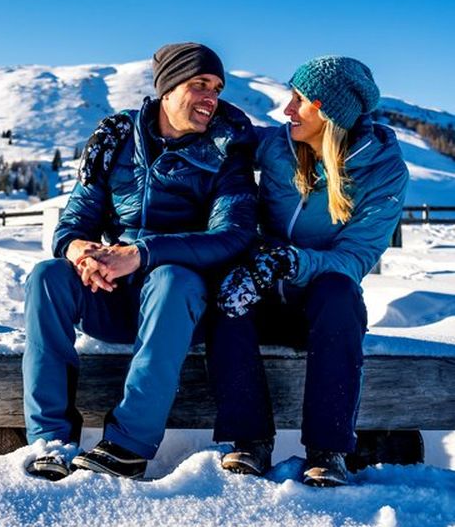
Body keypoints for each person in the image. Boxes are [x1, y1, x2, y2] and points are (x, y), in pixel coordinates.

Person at [23, 41, 257, 481]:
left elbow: (234, 234)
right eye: (200, 84)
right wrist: (79, 250)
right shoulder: (115, 141)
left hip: (183, 306)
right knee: (47, 276)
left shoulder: (228, 151)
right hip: (113, 295)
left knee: (171, 278)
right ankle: (51, 439)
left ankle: (129, 444)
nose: (212, 97)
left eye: (218, 88)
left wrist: (141, 253)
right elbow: (75, 219)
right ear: (167, 88)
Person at [208, 55, 408, 487]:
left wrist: (290, 261)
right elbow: (223, 136)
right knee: (230, 295)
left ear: (329, 111)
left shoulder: (383, 170)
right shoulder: (279, 146)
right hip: (265, 291)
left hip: (321, 306)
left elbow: (355, 258)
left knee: (339, 294)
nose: (287, 110)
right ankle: (249, 442)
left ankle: (328, 451)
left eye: (299, 100)